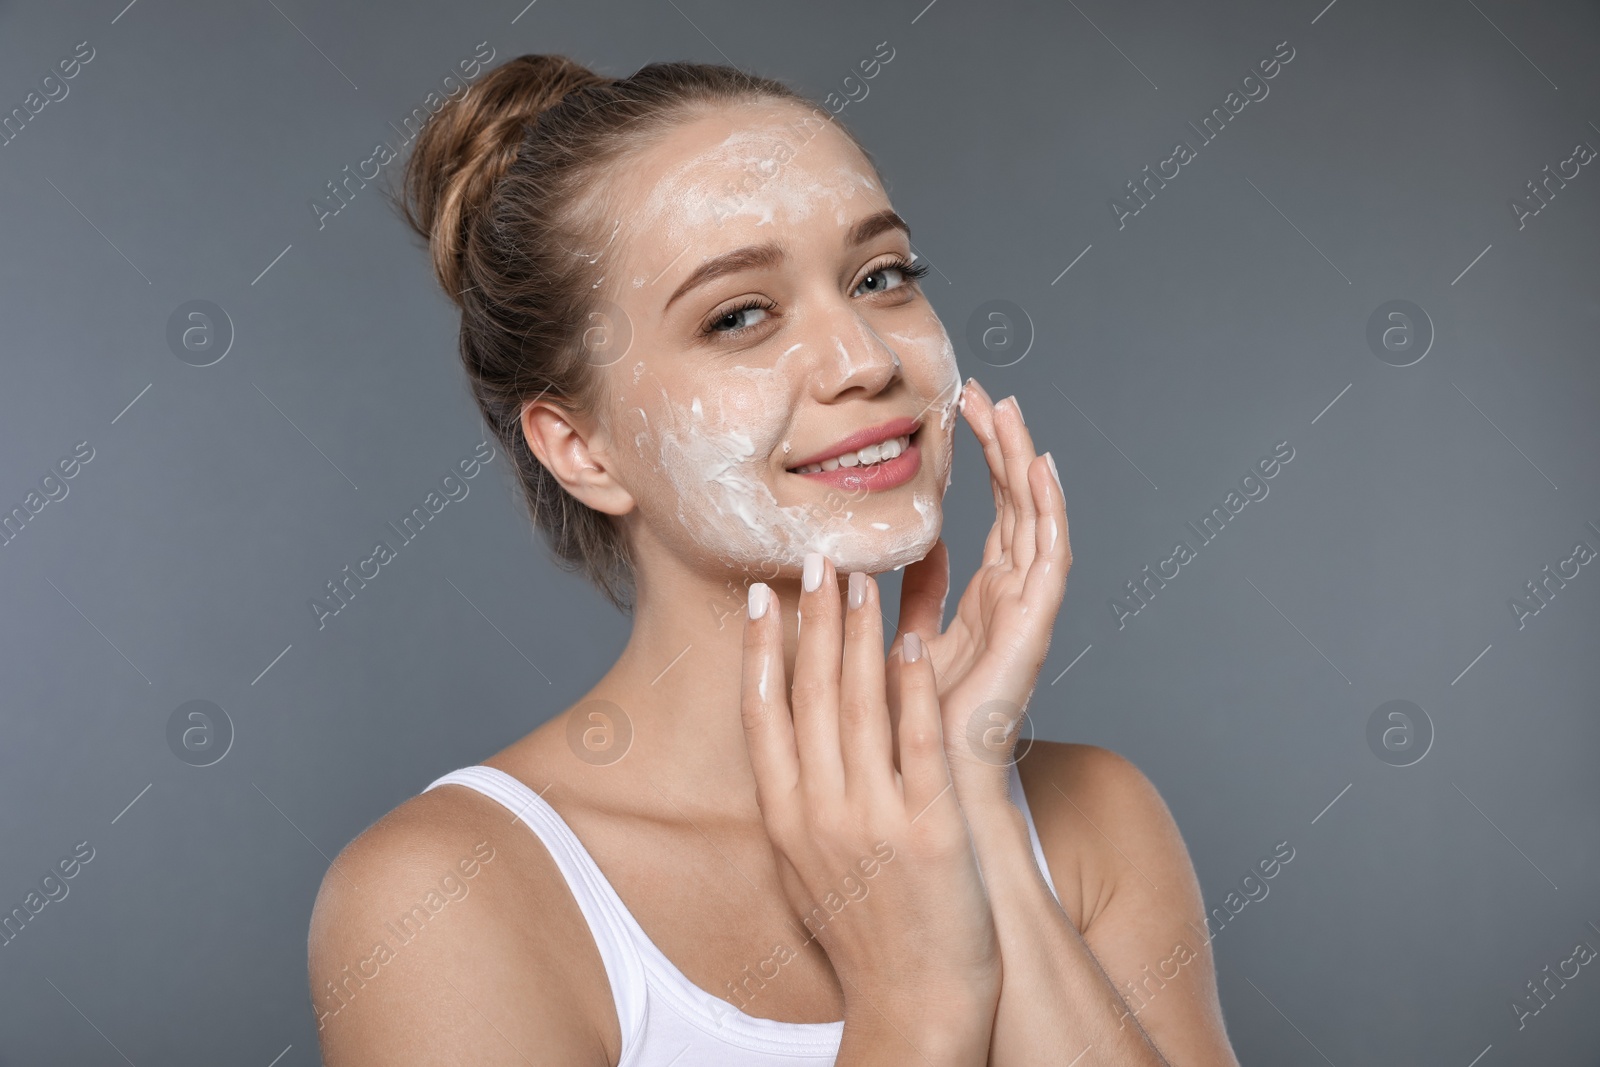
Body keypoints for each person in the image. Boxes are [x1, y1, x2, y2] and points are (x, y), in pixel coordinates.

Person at [306, 53, 1240, 1066]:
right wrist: (915, 994)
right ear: (584, 448)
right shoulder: (445, 893)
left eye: (880, 277)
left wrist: (968, 805)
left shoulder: (1093, 820)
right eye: (739, 314)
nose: (866, 360)